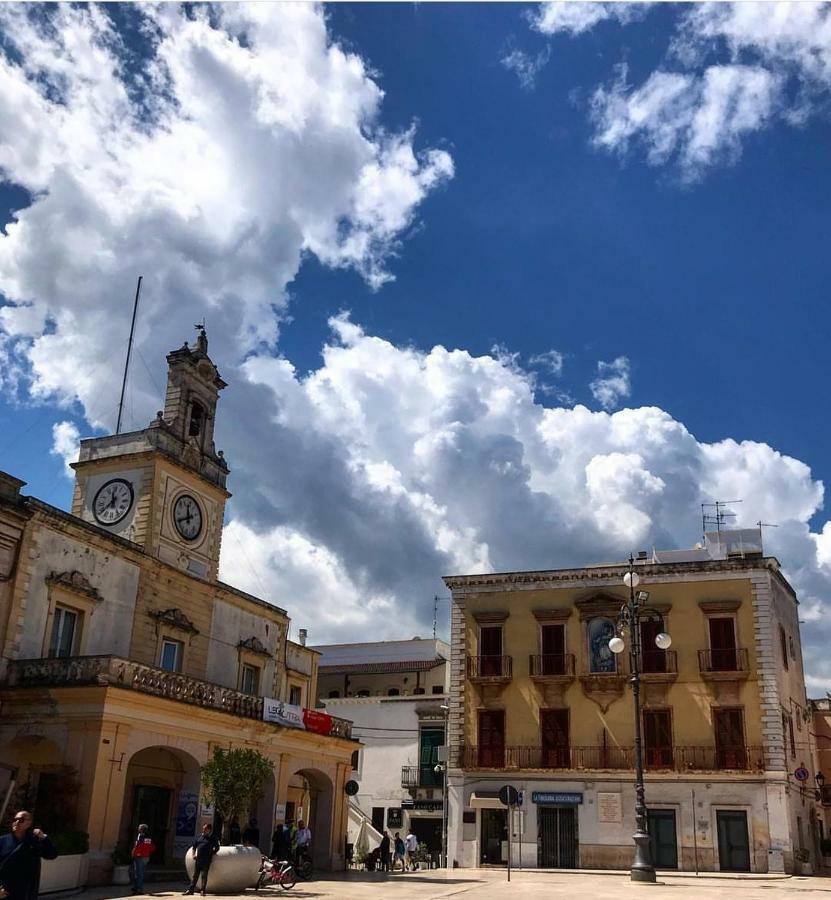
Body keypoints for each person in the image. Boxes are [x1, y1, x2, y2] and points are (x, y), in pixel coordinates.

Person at [0, 810, 58, 900]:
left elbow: (52, 855)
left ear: (29, 823)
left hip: (26, 892)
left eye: (21, 820)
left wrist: (44, 838)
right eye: (15, 819)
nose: (17, 822)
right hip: (5, 891)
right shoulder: (2, 841)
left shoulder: (34, 841)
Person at [183, 823, 219, 896]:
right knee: (195, 875)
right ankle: (191, 890)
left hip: (206, 860)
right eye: (203, 828)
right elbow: (194, 846)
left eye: (205, 829)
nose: (203, 830)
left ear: (209, 830)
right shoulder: (200, 837)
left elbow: (217, 847)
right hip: (198, 859)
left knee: (204, 875)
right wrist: (193, 855)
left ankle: (203, 890)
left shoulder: (213, 838)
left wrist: (212, 852)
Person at [130, 824, 155, 894]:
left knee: (139, 874)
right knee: (139, 873)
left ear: (142, 830)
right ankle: (136, 887)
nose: (138, 829)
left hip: (139, 857)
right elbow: (152, 848)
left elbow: (137, 847)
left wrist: (135, 853)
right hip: (146, 857)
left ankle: (139, 889)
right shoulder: (148, 838)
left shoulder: (140, 837)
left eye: (139, 828)